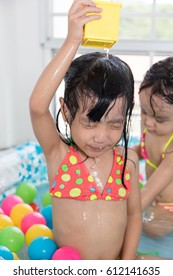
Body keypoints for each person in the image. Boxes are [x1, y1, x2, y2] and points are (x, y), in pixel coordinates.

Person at [29, 0, 142, 260]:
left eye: (115, 124)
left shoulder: (128, 161)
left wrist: (125, 265)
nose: (102, 136)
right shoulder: (58, 156)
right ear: (67, 112)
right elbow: (37, 106)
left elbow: (134, 214)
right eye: (90, 123)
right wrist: (72, 42)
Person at [132, 56, 173, 238]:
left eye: (159, 119)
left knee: (151, 228)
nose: (147, 121)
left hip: (168, 207)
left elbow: (148, 192)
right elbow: (143, 150)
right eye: (143, 111)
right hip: (151, 197)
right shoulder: (151, 125)